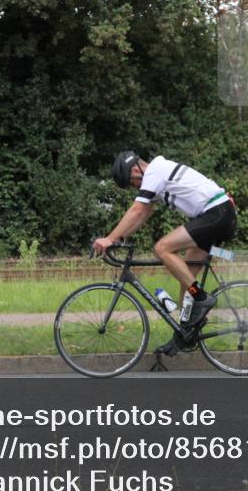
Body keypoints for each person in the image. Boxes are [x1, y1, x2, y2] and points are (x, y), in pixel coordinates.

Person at [94, 151, 237, 355]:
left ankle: (202, 298)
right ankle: (184, 335)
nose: (135, 187)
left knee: (162, 248)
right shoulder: (157, 175)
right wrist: (118, 237)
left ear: (136, 169)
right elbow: (142, 215)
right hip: (217, 214)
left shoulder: (154, 171)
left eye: (132, 182)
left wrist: (109, 239)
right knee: (186, 281)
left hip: (216, 212)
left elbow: (136, 210)